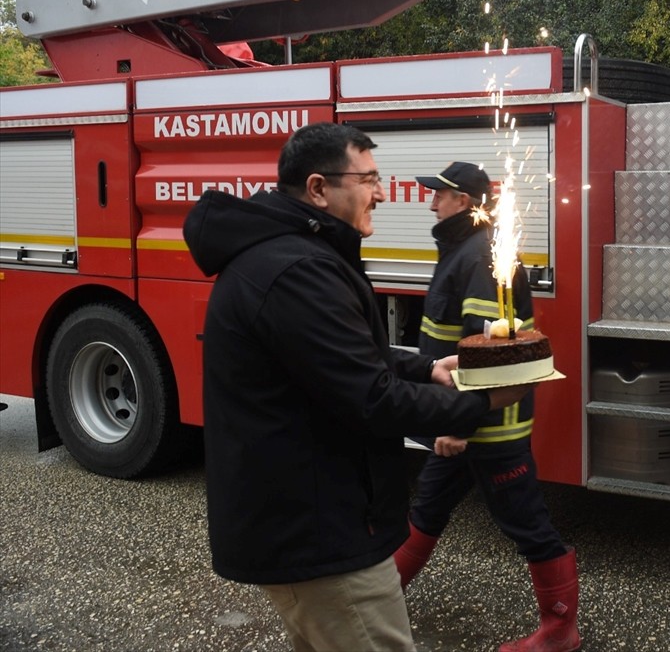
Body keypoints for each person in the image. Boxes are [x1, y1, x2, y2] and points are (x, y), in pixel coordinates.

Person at [183, 125, 527, 652]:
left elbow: (339, 358)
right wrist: (478, 402)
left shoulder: (299, 254)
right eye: (368, 179)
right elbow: (372, 398)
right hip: (320, 535)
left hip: (313, 519)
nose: (384, 193)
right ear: (319, 188)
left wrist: (425, 370)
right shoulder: (297, 269)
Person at [392, 161, 580, 652]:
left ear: (465, 202)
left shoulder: (478, 256)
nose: (431, 202)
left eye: (440, 195)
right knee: (427, 509)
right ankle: (377, 602)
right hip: (461, 423)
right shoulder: (466, 249)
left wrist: (460, 425)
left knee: (527, 525)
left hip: (486, 430)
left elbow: (486, 351)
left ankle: (559, 630)